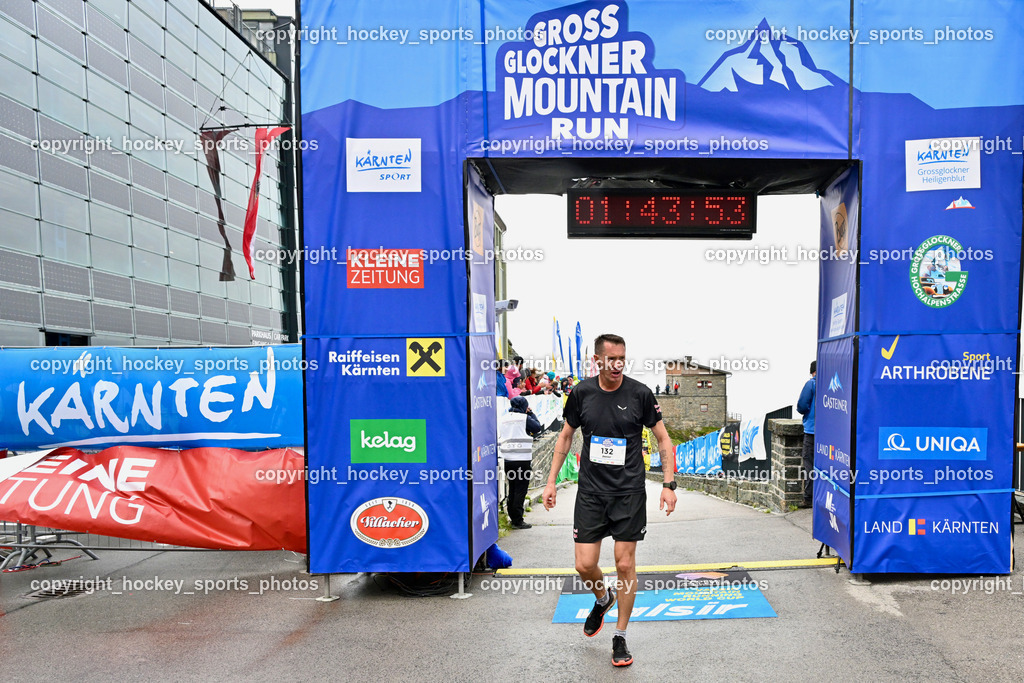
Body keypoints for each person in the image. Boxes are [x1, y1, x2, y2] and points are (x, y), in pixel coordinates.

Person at [542, 334, 676, 668]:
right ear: (597, 361)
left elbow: (662, 438)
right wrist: (551, 481)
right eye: (611, 359)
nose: (617, 365)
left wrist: (669, 484)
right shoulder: (581, 393)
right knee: (584, 564)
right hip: (591, 492)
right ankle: (603, 598)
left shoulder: (640, 394)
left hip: (629, 492)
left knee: (624, 563)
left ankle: (620, 636)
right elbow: (566, 436)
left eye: (622, 359)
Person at [499, 396, 542, 529]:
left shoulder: (504, 418)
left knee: (512, 488)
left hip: (507, 459)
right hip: (522, 459)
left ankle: (512, 516)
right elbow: (537, 428)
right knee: (520, 490)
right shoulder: (524, 418)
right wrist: (531, 413)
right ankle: (517, 520)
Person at [796, 360, 816, 508]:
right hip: (832, 432)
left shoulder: (812, 384)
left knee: (810, 464)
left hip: (812, 431)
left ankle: (808, 498)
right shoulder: (834, 381)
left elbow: (802, 406)